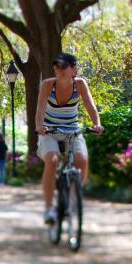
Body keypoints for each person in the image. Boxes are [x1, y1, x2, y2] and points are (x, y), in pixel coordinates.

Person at [34, 53, 104, 225]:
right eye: (57, 66)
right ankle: (49, 208)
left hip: (72, 131)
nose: (60, 70)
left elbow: (90, 106)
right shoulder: (47, 85)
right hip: (49, 131)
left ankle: (75, 196)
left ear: (74, 69)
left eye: (64, 66)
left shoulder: (79, 84)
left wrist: (97, 124)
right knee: (52, 160)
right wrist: (39, 126)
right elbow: (40, 109)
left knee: (82, 160)